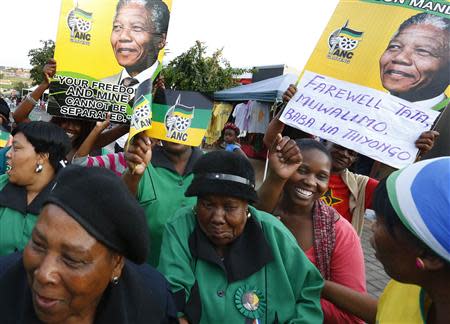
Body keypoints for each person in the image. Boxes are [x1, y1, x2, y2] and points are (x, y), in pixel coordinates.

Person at [158, 150, 324, 323]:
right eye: (208, 204)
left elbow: (309, 293)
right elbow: (172, 291)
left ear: (247, 207)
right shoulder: (181, 226)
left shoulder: (275, 234)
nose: (217, 218)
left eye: (229, 207)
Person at [0, 165, 177, 323]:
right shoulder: (5, 284)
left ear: (116, 264)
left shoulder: (151, 304)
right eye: (38, 245)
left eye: (71, 259)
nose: (44, 274)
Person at [257, 136, 375, 323]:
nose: (310, 182)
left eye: (321, 176)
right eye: (302, 170)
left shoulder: (340, 233)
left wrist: (299, 289)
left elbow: (351, 317)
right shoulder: (258, 210)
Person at [371, 157, 450, 323]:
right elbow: (388, 313)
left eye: (380, 222)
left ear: (431, 257)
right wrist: (324, 287)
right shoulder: (417, 281)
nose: (372, 227)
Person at [378, 12, 450, 162]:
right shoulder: (362, 108)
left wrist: (423, 157)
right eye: (394, 46)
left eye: (423, 51)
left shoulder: (445, 123)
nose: (399, 58)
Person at [124, 134, 203, 266]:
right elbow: (120, 205)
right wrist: (133, 175)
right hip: (146, 273)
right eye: (170, 120)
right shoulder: (143, 162)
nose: (177, 128)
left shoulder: (210, 167)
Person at [0, 121, 71, 256]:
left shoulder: (71, 202)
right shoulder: (1, 184)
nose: (7, 154)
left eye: (16, 148)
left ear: (41, 157)